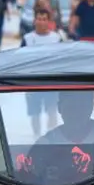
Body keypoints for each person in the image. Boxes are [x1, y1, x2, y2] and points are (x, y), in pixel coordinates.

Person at [21, 10, 63, 138]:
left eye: (44, 19)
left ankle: (53, 138)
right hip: (32, 83)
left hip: (51, 83)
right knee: (35, 114)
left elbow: (62, 61)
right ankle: (37, 137)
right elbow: (20, 62)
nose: (41, 22)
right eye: (39, 19)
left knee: (52, 111)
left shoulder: (56, 38)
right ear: (34, 21)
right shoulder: (27, 39)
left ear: (49, 22)